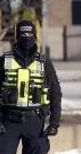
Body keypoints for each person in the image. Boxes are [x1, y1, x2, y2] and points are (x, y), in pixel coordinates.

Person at [0, 20, 62, 154]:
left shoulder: (44, 63)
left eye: (29, 34)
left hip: (35, 121)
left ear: (35, 36)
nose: (27, 38)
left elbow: (55, 93)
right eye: (23, 34)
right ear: (17, 37)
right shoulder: (4, 61)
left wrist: (54, 122)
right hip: (8, 121)